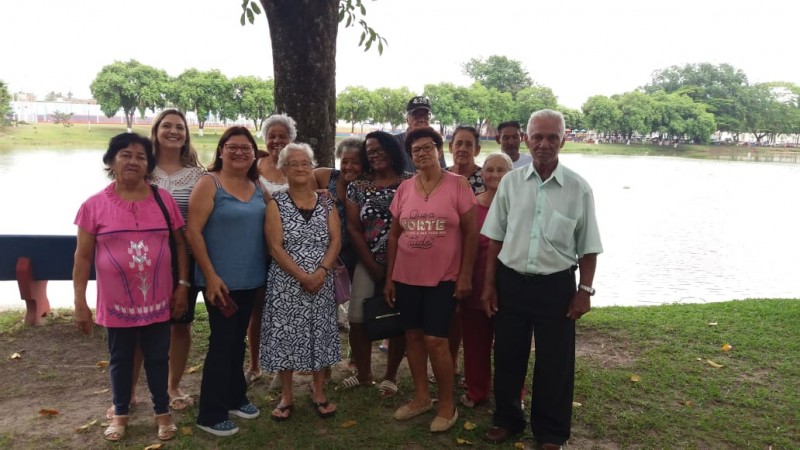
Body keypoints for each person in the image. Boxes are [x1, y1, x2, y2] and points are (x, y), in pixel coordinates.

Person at [481, 109, 603, 448]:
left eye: (552, 137)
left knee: (555, 363)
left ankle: (550, 432)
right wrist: (489, 286)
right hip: (511, 283)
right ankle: (508, 419)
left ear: (563, 140)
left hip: (556, 287)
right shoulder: (510, 183)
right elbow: (495, 239)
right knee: (507, 355)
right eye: (538, 137)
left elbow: (588, 247)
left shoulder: (578, 188)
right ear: (526, 140)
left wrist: (585, 291)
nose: (544, 144)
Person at [73, 132, 186, 442]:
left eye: (141, 156)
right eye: (125, 154)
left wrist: (182, 286)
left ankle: (162, 412)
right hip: (116, 303)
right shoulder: (93, 205)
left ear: (149, 164)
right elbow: (82, 258)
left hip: (158, 299)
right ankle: (120, 413)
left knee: (157, 357)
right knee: (121, 358)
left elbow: (180, 244)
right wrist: (80, 301)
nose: (133, 161)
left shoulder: (164, 200)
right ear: (111, 161)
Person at [384, 126, 477, 433]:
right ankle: (421, 398)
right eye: (415, 150)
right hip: (407, 276)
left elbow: (471, 233)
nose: (421, 154)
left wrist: (465, 275)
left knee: (436, 340)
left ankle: (446, 404)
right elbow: (395, 236)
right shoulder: (405, 188)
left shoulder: (458, 184)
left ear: (439, 149)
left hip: (444, 278)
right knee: (412, 336)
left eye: (427, 148)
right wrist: (390, 278)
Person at [187, 127, 267, 437]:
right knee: (222, 343)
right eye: (232, 147)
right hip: (220, 283)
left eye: (246, 148)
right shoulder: (209, 183)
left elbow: (279, 211)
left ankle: (236, 397)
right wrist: (210, 275)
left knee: (237, 341)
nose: (239, 153)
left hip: (250, 280)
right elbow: (193, 232)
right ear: (221, 150)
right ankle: (210, 411)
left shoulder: (257, 185)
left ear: (253, 153)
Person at [261, 143, 341, 421]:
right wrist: (302, 276)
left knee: (319, 333)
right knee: (286, 335)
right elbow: (275, 246)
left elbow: (336, 239)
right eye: (293, 163)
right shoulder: (276, 203)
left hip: (322, 279)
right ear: (283, 169)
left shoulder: (327, 202)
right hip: (287, 282)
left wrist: (321, 271)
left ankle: (318, 392)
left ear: (312, 167)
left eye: (305, 163)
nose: (299, 168)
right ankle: (286, 395)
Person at [341, 131, 412, 398]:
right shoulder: (357, 186)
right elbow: (353, 227)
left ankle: (391, 376)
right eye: (370, 151)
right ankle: (364, 374)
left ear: (393, 150)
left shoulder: (410, 182)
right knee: (357, 318)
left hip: (406, 262)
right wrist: (372, 265)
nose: (375, 154)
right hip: (368, 261)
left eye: (380, 149)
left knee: (399, 318)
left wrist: (392, 270)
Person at [150, 109, 205, 411]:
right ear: (156, 130)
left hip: (185, 258)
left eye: (180, 127)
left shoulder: (197, 175)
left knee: (179, 323)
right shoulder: (142, 168)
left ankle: (173, 385)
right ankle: (130, 389)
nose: (174, 131)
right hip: (147, 257)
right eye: (167, 126)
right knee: (142, 326)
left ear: (186, 134)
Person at [459, 152, 512, 409]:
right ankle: (477, 390)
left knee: (510, 345)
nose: (494, 175)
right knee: (475, 344)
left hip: (510, 287)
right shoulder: (472, 205)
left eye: (501, 170)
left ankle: (513, 394)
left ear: (511, 174)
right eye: (489, 169)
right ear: (482, 174)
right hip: (476, 284)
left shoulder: (518, 205)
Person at [247, 113, 296, 385]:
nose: (277, 140)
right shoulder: (253, 166)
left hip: (288, 249)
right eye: (272, 135)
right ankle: (254, 365)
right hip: (255, 247)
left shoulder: (297, 166)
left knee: (284, 309)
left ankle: (282, 366)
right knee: (257, 308)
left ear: (291, 139)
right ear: (264, 138)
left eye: (282, 135)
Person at [312, 136, 364, 274]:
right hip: (326, 254)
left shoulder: (367, 185)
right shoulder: (324, 176)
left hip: (357, 254)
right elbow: (302, 182)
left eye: (355, 162)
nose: (348, 167)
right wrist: (315, 193)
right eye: (344, 161)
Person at [395, 95, 446, 172]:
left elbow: (443, 171)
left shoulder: (435, 142)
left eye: (426, 116)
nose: (422, 120)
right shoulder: (394, 142)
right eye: (416, 116)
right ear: (407, 119)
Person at [447, 125, 485, 194]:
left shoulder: (486, 178)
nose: (462, 149)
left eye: (469, 145)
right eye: (459, 144)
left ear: (477, 150)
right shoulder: (440, 177)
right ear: (450, 147)